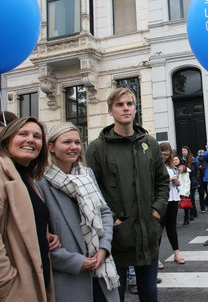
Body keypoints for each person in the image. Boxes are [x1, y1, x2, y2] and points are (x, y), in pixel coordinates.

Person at [85, 87, 170, 302]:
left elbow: (162, 181)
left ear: (135, 109)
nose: (125, 108)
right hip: (115, 240)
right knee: (115, 296)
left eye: (130, 104)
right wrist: (113, 220)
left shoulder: (149, 143)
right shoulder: (96, 149)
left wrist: (157, 211)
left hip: (148, 234)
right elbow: (91, 191)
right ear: (110, 111)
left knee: (149, 294)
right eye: (119, 104)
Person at [36, 122, 120, 302]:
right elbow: (38, 239)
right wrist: (75, 262)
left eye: (77, 142)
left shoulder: (86, 174)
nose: (74, 147)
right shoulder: (40, 182)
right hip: (68, 278)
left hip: (101, 268)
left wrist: (104, 247)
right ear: (51, 147)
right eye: (66, 142)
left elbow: (104, 212)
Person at [0, 117, 59, 301]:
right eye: (23, 134)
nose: (30, 140)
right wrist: (6, 283)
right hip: (16, 289)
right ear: (8, 139)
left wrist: (45, 233)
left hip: (37, 282)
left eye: (37, 136)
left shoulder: (26, 178)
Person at [158, 143, 185, 268]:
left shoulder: (171, 165)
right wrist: (166, 180)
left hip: (173, 197)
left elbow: (178, 182)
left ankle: (177, 253)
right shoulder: (155, 165)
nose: (165, 157)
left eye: (167, 154)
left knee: (171, 227)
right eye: (163, 154)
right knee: (159, 228)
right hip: (161, 199)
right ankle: (156, 258)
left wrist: (176, 181)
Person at [181, 145, 200, 220]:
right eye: (182, 151)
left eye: (185, 151)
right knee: (187, 198)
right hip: (185, 182)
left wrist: (197, 180)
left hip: (192, 181)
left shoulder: (193, 159)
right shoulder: (182, 160)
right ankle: (191, 213)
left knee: (191, 198)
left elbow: (197, 170)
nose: (183, 152)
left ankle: (192, 213)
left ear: (188, 151)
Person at [174, 155, 192, 226]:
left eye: (176, 160)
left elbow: (187, 181)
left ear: (179, 160)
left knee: (185, 205)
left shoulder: (184, 169)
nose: (175, 161)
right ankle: (174, 221)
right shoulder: (171, 169)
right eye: (173, 160)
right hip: (175, 190)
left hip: (182, 189)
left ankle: (186, 218)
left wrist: (185, 191)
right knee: (174, 206)